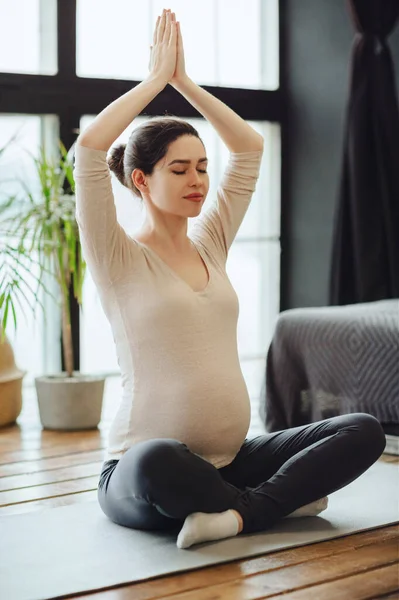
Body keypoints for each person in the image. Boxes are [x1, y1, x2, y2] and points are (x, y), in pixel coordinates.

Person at [73, 9, 386, 549]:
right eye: (180, 170)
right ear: (142, 180)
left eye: (201, 167)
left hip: (233, 461)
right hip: (137, 470)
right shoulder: (117, 255)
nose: (197, 181)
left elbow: (248, 147)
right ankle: (276, 501)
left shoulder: (210, 242)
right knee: (158, 459)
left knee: (363, 430)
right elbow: (90, 149)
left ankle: (237, 513)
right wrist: (154, 82)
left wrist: (186, 83)